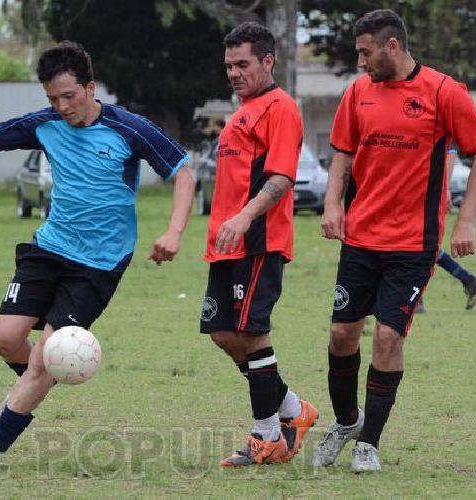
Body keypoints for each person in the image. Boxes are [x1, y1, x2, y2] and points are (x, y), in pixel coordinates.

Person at [0, 41, 195, 469]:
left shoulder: (129, 128)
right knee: (5, 339)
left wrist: (173, 231)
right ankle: (41, 377)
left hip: (99, 263)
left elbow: (182, 174)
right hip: (49, 248)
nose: (61, 106)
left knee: (43, 357)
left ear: (91, 88)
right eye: (52, 98)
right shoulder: (45, 123)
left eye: (69, 96)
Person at [311, 9, 476, 472]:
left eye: (365, 52)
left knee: (389, 338)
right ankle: (347, 421)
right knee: (340, 335)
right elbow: (342, 152)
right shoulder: (358, 93)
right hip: (360, 238)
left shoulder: (442, 91)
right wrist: (333, 204)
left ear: (392, 46)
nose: (360, 62)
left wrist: (466, 220)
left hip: (413, 244)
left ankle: (368, 444)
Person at [203, 22, 318, 468]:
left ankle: (267, 435)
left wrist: (246, 216)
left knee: (252, 333)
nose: (233, 72)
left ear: (268, 61)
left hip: (259, 240)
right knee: (223, 333)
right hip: (226, 244)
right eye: (229, 65)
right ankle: (293, 409)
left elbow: (282, 177)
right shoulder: (241, 111)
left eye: (243, 64)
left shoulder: (280, 108)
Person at [419, 146, 476, 313]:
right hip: (416, 192)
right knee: (419, 244)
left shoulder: (439, 123)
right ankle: (468, 280)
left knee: (421, 244)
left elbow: (450, 151)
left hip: (426, 195)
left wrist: (444, 188)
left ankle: (416, 299)